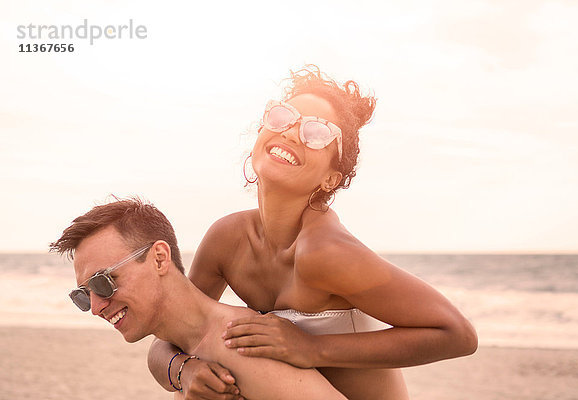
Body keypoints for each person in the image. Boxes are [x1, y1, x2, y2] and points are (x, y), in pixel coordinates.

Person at [148, 66, 478, 399]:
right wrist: (184, 372)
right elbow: (167, 338)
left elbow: (457, 334)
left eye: (316, 132)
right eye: (282, 118)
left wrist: (311, 348)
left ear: (332, 178)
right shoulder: (227, 239)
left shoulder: (326, 251)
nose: (291, 133)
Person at [49, 198, 348, 400]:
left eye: (103, 282)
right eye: (84, 295)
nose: (97, 306)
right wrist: (181, 370)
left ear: (159, 258)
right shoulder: (189, 348)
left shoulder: (237, 342)